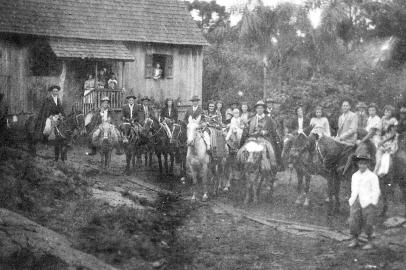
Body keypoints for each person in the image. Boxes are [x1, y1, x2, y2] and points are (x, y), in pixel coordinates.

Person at [348, 153, 380, 250]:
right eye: (360, 163)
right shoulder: (354, 175)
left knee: (368, 222)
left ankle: (370, 241)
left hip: (367, 201)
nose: (362, 165)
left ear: (367, 164)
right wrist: (352, 200)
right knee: (354, 220)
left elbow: (376, 191)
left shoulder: (372, 176)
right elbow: (354, 189)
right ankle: (355, 239)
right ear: (358, 164)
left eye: (364, 163)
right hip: (356, 200)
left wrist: (373, 203)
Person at [248, 100, 283, 170]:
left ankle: (274, 165)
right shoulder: (253, 118)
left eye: (261, 108)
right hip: (253, 138)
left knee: (272, 149)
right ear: (256, 109)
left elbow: (273, 129)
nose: (259, 109)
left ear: (264, 109)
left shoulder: (268, 119)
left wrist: (265, 132)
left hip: (266, 138)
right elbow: (249, 130)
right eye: (258, 108)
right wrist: (252, 133)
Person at [374, 105, 398, 176]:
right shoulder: (383, 118)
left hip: (391, 139)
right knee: (377, 144)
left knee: (386, 154)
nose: (386, 113)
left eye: (389, 112)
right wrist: (379, 137)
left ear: (391, 113)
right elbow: (380, 130)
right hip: (383, 138)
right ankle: (375, 172)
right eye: (385, 111)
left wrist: (383, 141)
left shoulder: (393, 120)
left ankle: (382, 171)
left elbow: (393, 134)